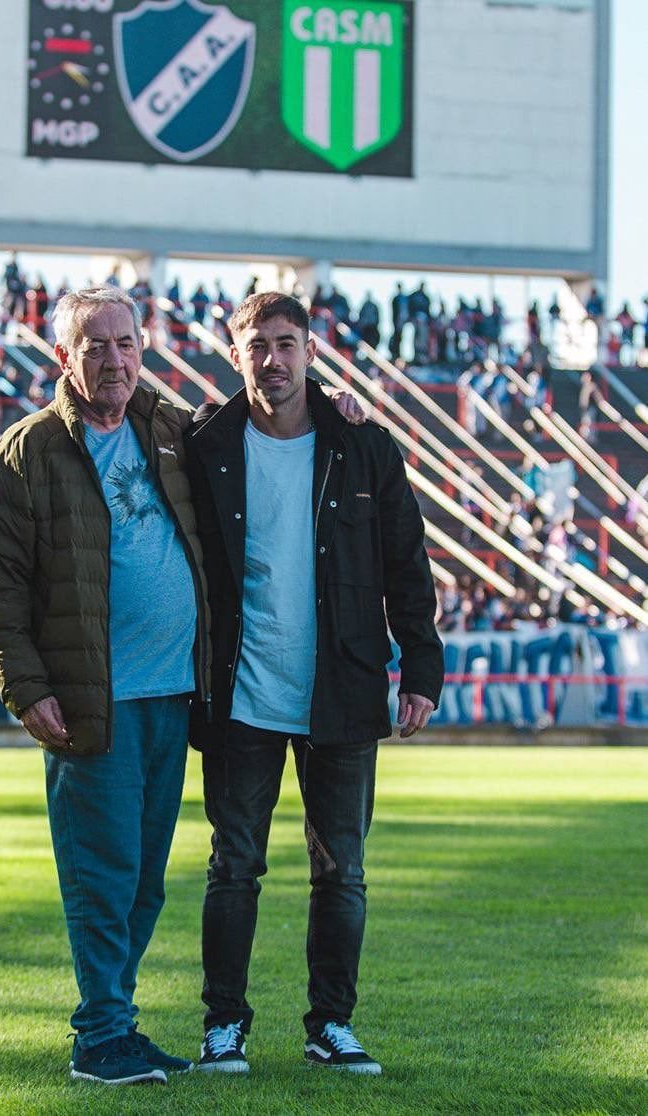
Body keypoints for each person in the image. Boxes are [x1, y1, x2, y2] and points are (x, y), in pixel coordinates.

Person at [185, 292, 444, 1077]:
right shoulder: (205, 441)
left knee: (343, 872)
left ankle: (330, 1025)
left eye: (286, 342)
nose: (272, 359)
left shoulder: (362, 443)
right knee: (234, 867)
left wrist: (420, 667)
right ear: (237, 354)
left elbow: (406, 561)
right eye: (257, 345)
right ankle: (222, 1026)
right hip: (240, 695)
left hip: (342, 687)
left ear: (310, 350)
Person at [0, 286, 210, 1087]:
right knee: (101, 875)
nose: (113, 358)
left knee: (145, 879)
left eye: (125, 342)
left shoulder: (171, 427)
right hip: (88, 701)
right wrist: (23, 684)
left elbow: (263, 428)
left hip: (172, 697)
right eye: (95, 345)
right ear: (64, 357)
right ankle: (99, 1035)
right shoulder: (28, 449)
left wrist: (331, 399)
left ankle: (117, 1023)